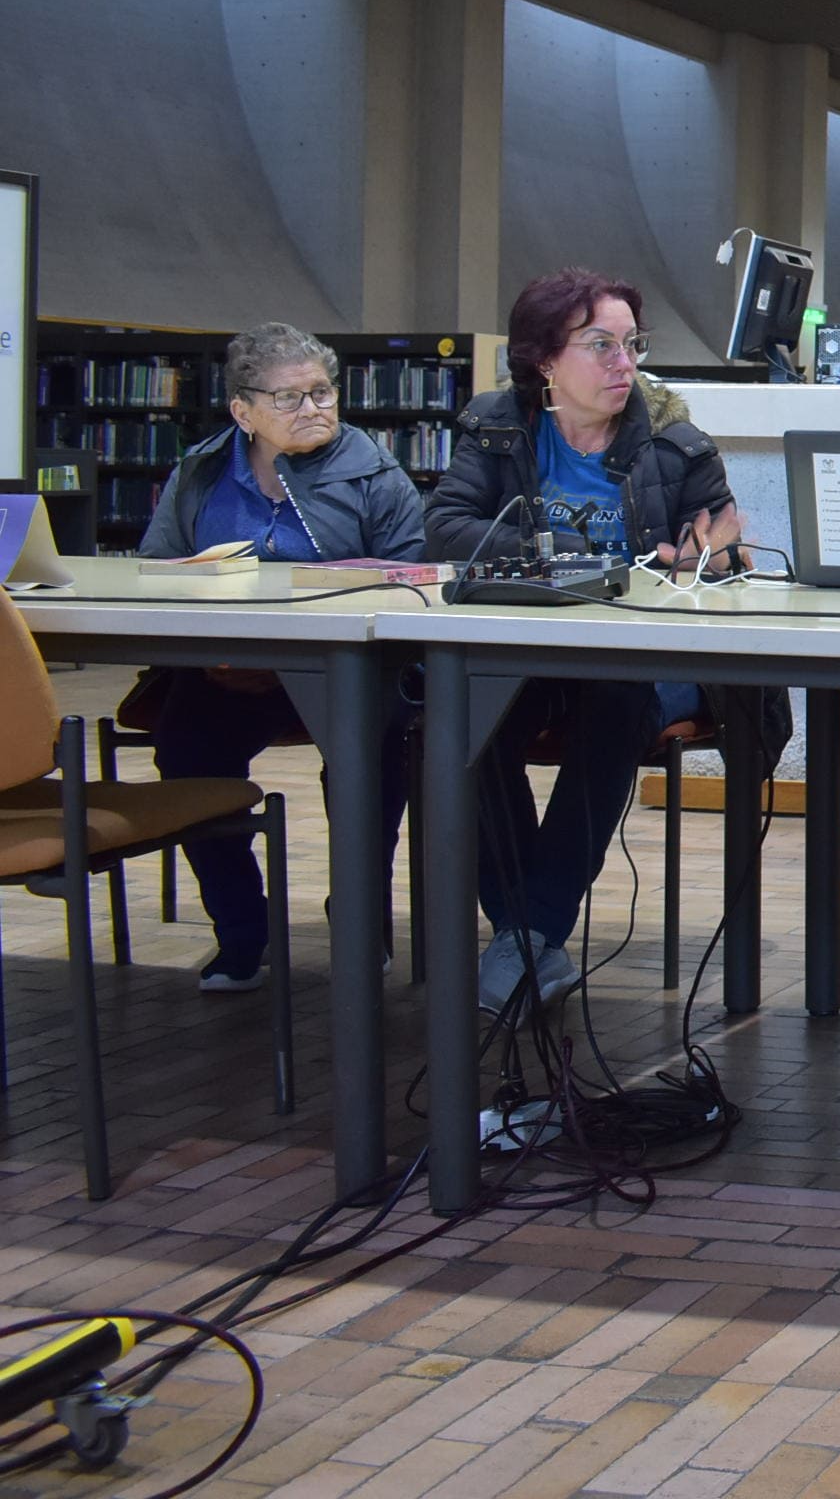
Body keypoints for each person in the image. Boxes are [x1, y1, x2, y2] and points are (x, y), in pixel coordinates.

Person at [427, 270, 744, 1015]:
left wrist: (713, 562)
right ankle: (528, 935)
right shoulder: (496, 424)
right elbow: (444, 525)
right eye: (600, 345)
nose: (623, 363)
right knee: (466, 707)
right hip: (528, 652)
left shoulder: (678, 443)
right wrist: (564, 549)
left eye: (632, 344)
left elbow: (727, 562)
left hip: (640, 661)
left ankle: (528, 931)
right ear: (543, 359)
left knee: (617, 699)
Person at [135, 323, 425, 991]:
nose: (315, 409)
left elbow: (412, 574)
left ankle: (360, 920)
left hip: (345, 668)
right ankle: (241, 929)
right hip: (228, 667)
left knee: (371, 751)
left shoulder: (377, 474)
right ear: (244, 411)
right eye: (290, 398)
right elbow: (154, 568)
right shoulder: (202, 471)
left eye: (323, 391)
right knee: (184, 749)